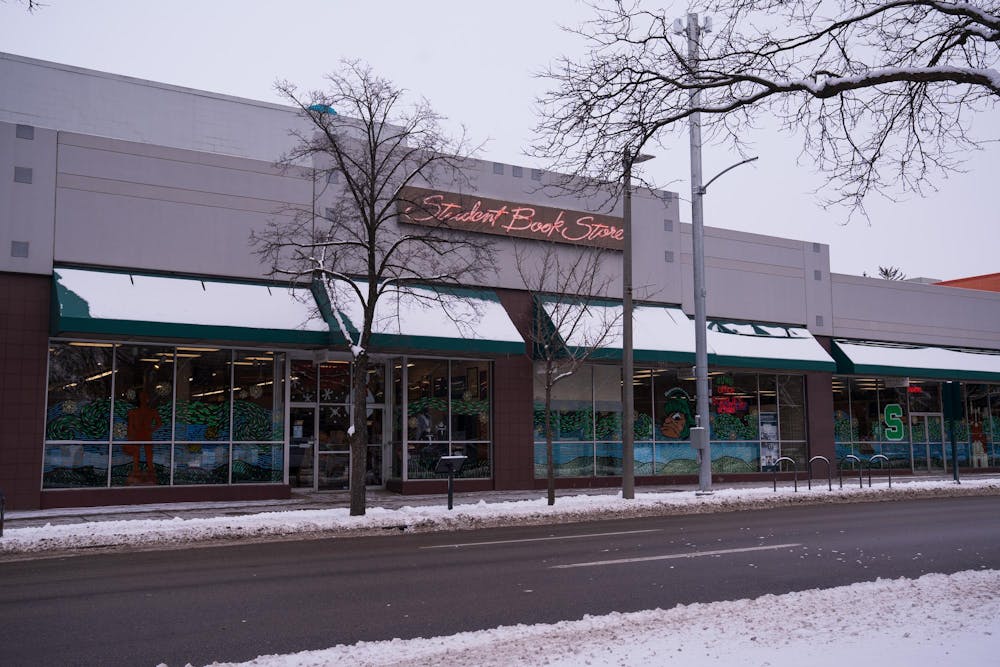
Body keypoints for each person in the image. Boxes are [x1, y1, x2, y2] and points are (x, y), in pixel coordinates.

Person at [125, 390, 162, 484]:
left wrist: (150, 430)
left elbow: (159, 423)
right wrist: (130, 437)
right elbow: (130, 426)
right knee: (138, 454)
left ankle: (149, 471)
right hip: (140, 434)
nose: (144, 399)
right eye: (142, 397)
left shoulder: (151, 412)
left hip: (145, 434)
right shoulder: (134, 412)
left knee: (147, 454)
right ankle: (137, 471)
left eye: (144, 397)